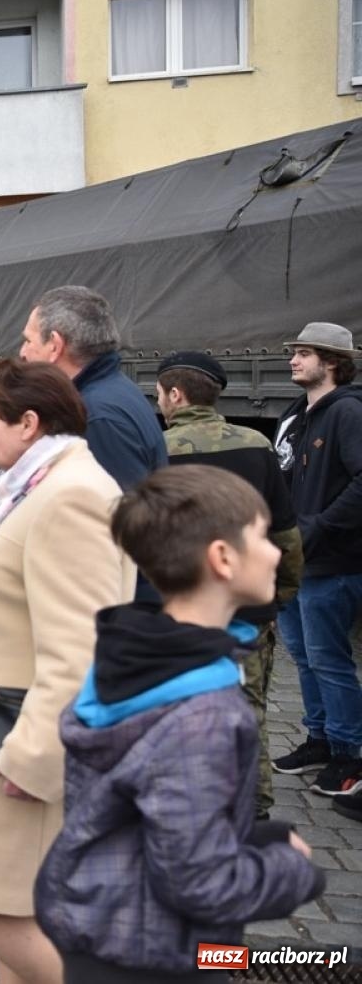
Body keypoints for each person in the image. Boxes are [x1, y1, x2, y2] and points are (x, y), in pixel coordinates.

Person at [35, 466, 326, 983]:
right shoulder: (204, 713)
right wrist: (294, 870)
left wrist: (256, 837)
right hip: (164, 958)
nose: (278, 551)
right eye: (262, 536)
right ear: (222, 557)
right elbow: (198, 881)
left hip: (110, 931)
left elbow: (152, 810)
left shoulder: (137, 659)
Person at [0, 358, 133, 984]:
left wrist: (34, 758)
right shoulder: (38, 484)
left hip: (15, 745)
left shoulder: (73, 497)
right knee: (16, 910)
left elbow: (86, 646)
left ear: (29, 422)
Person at [156, 350, 303, 819]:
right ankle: (251, 809)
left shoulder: (161, 451)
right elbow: (286, 533)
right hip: (248, 609)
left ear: (175, 394)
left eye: (160, 394)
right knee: (248, 709)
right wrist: (280, 594)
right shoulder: (258, 445)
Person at [270, 321, 362, 798]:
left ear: (331, 362)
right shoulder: (297, 413)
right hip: (295, 561)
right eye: (293, 352)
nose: (292, 360)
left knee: (329, 660)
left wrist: (318, 526)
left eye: (303, 353)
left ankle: (350, 755)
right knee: (305, 658)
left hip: (332, 563)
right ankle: (320, 739)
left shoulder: (347, 413)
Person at [19, 285, 167, 492]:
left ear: (54, 345)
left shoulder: (95, 417)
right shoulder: (114, 392)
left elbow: (114, 516)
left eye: (28, 340)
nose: (22, 352)